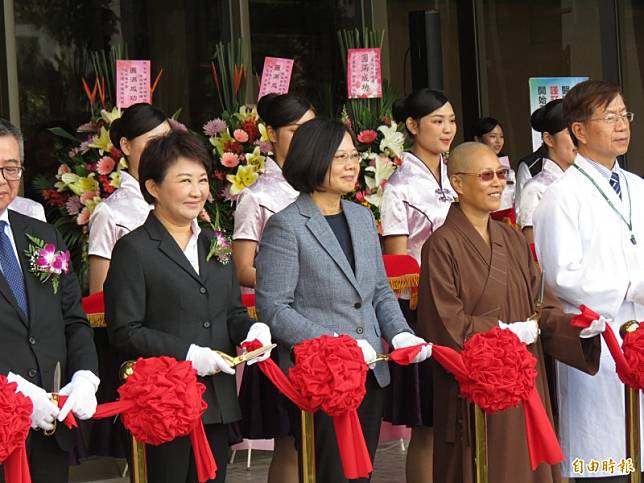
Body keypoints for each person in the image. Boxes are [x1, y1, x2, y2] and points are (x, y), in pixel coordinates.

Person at [255, 118, 432, 482]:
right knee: (332, 473)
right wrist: (337, 344)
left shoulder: (362, 216)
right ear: (313, 159)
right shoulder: (287, 225)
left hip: (370, 373)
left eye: (354, 156)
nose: (352, 165)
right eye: (340, 157)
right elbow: (274, 308)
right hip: (322, 378)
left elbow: (379, 291)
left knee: (360, 473)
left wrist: (399, 333)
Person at [416, 141, 601, 483]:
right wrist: (504, 331)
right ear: (458, 183)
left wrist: (577, 329)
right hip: (477, 386)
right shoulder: (441, 245)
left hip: (525, 379)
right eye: (487, 176)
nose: (498, 183)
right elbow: (443, 324)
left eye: (501, 174)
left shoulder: (512, 238)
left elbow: (539, 305)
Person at [105, 130, 272, 483]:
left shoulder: (216, 243)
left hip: (215, 402)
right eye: (184, 181)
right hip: (163, 403)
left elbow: (231, 313)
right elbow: (125, 330)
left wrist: (251, 331)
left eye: (201, 180)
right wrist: (189, 353)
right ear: (153, 187)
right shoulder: (134, 249)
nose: (197, 192)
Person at [533, 80, 644, 482]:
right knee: (604, 455)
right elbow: (562, 273)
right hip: (598, 337)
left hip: (641, 328)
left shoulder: (638, 188)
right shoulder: (561, 196)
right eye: (609, 117)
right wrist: (632, 285)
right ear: (578, 130)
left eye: (624, 115)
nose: (621, 125)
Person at [0, 118, 99, 483]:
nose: (1, 180)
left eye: (10, 168)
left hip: (48, 426)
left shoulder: (44, 235)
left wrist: (86, 375)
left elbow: (73, 320)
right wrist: (12, 389)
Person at [233, 93, 315, 483]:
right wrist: (295, 280)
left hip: (324, 322)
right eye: (295, 130)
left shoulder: (322, 186)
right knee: (290, 440)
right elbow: (243, 268)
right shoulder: (257, 196)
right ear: (271, 135)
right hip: (282, 325)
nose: (304, 138)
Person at [380, 88, 456, 483]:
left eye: (451, 121)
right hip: (422, 308)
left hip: (463, 305)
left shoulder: (458, 175)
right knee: (427, 423)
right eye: (437, 121)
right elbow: (397, 261)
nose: (448, 130)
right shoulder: (399, 186)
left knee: (459, 417)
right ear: (412, 126)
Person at [88, 102, 171, 294]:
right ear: (126, 145)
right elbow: (99, 297)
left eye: (168, 141)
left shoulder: (180, 201)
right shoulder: (109, 213)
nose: (164, 150)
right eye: (154, 141)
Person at [516, 99, 576, 244]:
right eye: (569, 132)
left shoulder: (585, 181)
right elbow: (532, 250)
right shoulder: (535, 189)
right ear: (549, 139)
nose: (578, 140)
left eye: (579, 130)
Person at [474, 117, 516, 210]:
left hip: (507, 221)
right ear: (478, 139)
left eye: (501, 137)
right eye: (493, 136)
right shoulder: (471, 169)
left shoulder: (508, 171)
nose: (498, 141)